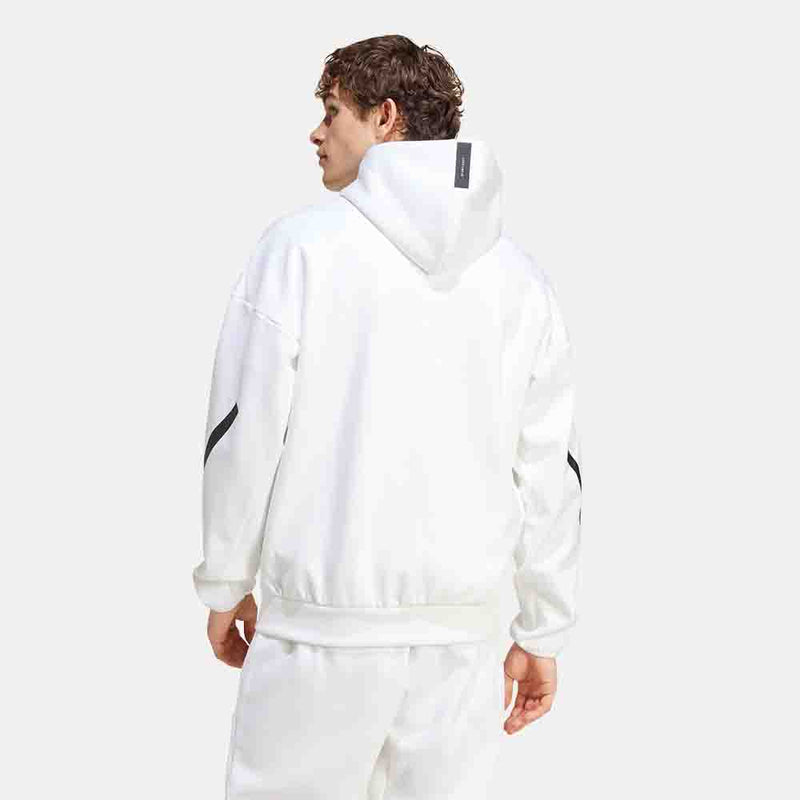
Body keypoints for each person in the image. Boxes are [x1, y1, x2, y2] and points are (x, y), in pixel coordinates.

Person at [192, 34, 583, 799]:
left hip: (318, 641)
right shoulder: (519, 279)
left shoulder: (298, 251)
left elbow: (243, 432)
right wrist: (542, 627)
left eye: (332, 111)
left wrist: (226, 580)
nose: (316, 132)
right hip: (459, 654)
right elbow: (551, 470)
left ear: (386, 117)